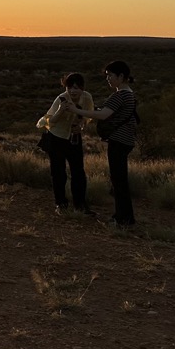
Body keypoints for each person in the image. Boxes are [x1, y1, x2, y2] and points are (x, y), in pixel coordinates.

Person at [63, 60, 139, 228]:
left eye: (110, 75)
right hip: (124, 141)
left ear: (121, 76)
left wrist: (77, 111)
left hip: (119, 141)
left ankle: (123, 219)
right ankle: (124, 217)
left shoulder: (121, 95)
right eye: (107, 76)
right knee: (119, 180)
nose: (108, 79)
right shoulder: (129, 94)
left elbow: (104, 115)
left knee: (119, 181)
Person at [37, 73, 95, 215]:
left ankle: (80, 205)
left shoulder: (87, 97)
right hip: (56, 137)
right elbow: (51, 121)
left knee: (78, 172)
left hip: (74, 138)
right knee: (58, 172)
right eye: (70, 87)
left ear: (82, 88)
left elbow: (88, 115)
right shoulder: (61, 98)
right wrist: (61, 110)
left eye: (76, 88)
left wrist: (81, 124)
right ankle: (60, 204)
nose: (73, 91)